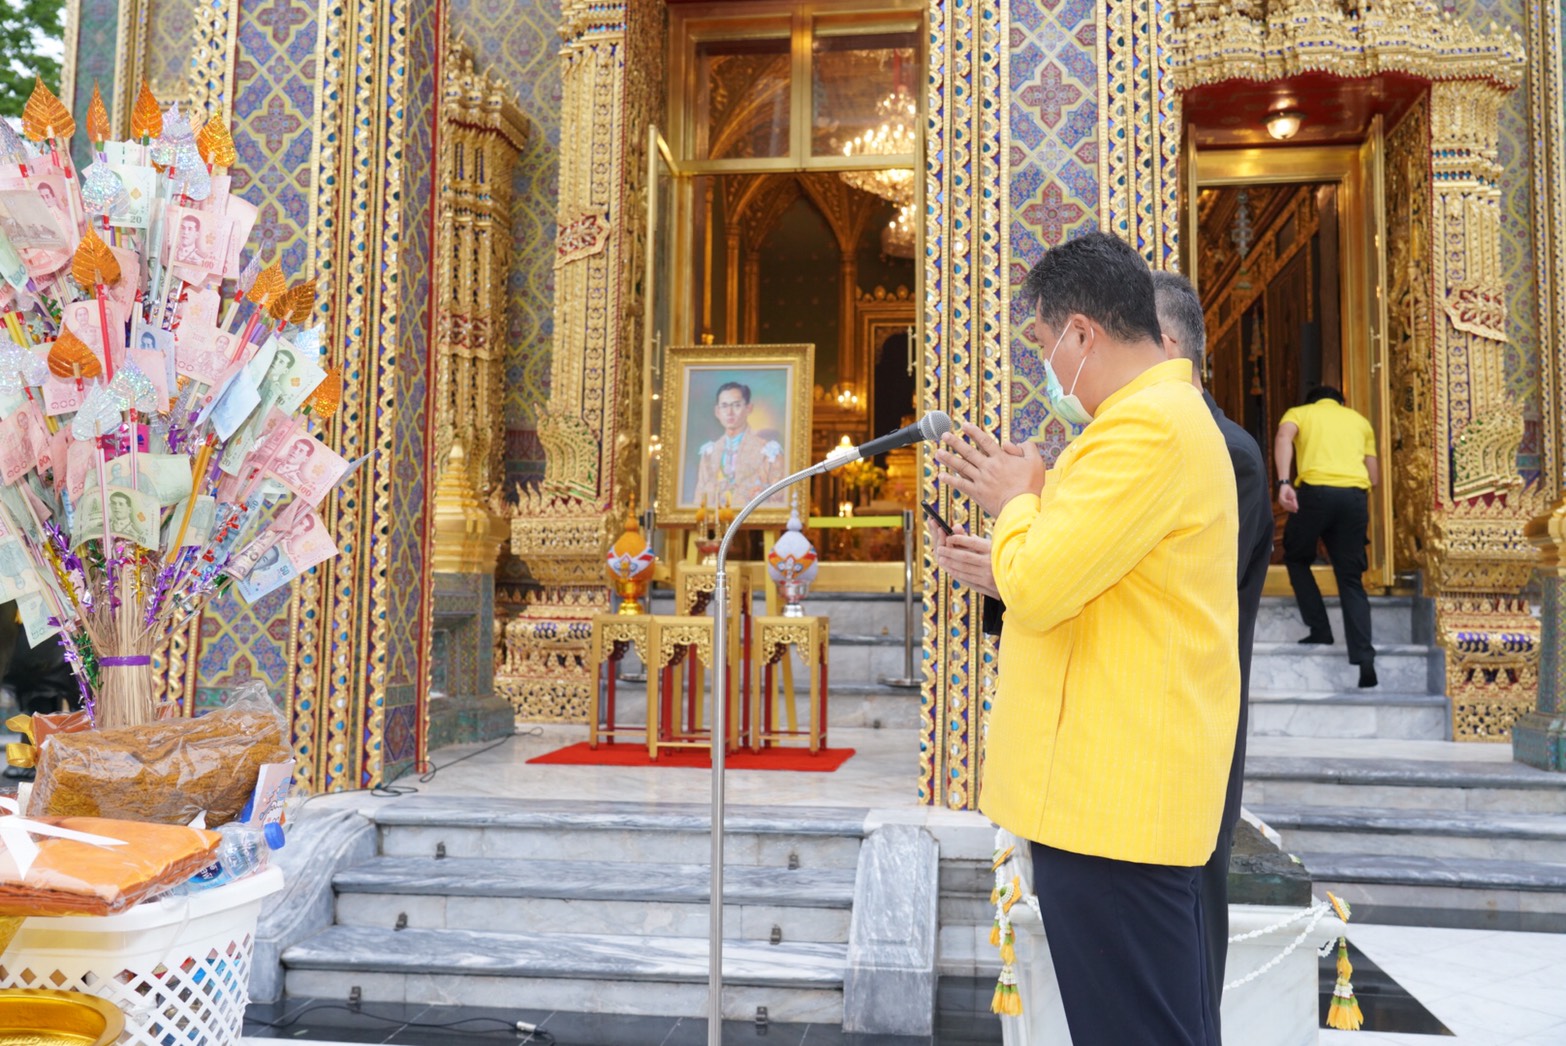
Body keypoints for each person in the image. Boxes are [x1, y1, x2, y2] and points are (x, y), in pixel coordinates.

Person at [934, 232, 1238, 1046]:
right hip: (1107, 799)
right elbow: (1077, 580)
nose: (1043, 365)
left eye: (1040, 343)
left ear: (1081, 335)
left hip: (1118, 802)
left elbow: (1044, 580)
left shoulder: (1147, 430)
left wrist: (1015, 501)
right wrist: (1011, 551)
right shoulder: (1140, 423)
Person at [1275, 385, 1379, 687]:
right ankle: (1365, 659)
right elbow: (1374, 476)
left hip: (1316, 493)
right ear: (1340, 403)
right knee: (1350, 578)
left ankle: (1320, 628)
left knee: (1296, 556)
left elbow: (1284, 436)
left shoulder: (1301, 413)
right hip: (1354, 497)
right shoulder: (1359, 421)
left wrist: (1283, 482)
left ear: (1313, 402)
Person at [691, 381, 783, 508]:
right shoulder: (709, 453)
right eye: (724, 406)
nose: (729, 412)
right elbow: (699, 500)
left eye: (736, 405)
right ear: (717, 411)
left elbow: (777, 500)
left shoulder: (768, 451)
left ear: (749, 408)